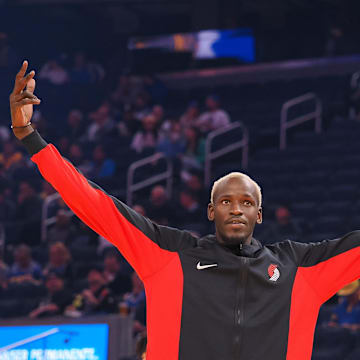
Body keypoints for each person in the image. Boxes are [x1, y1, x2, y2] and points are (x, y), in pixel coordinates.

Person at [9, 60, 360, 360]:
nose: (236, 209)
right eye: (226, 201)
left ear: (260, 214)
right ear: (210, 211)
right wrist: (28, 135)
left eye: (246, 203)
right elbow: (94, 203)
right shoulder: (169, 254)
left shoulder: (298, 267)